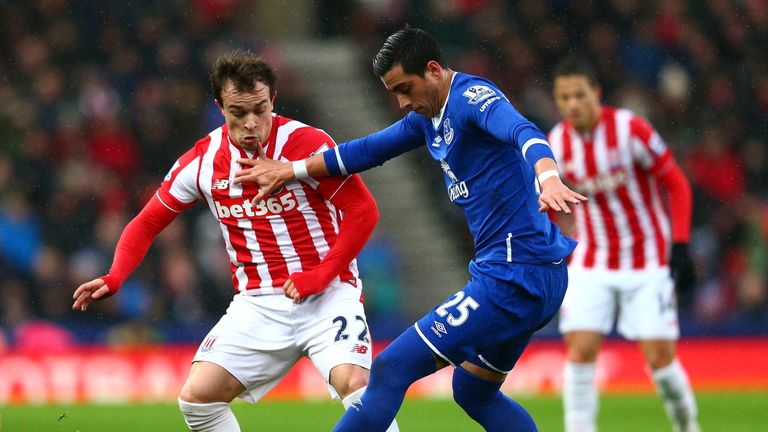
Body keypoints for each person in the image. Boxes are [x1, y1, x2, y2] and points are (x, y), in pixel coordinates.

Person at [234, 27, 588, 432]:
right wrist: (291, 170)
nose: (402, 102)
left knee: (390, 368)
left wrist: (549, 177)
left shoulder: (472, 99)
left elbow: (523, 131)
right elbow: (365, 151)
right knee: (474, 391)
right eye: (393, 92)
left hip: (513, 275)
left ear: (434, 70)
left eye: (405, 88)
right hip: (534, 274)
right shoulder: (428, 118)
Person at [72, 50, 399, 432]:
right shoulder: (203, 160)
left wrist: (322, 274)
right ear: (219, 107)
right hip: (258, 304)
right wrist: (115, 276)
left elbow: (364, 212)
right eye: (237, 113)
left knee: (357, 385)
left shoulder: (306, 145)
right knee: (197, 400)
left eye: (259, 109)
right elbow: (146, 222)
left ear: (273, 99)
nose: (251, 124)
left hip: (328, 294)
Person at [547, 55, 699, 432]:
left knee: (661, 363)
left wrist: (679, 245)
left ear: (596, 93)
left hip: (646, 261)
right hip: (592, 261)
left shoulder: (632, 130)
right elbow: (549, 204)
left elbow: (676, 183)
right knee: (580, 353)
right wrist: (552, 251)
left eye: (579, 95)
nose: (573, 105)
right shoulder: (556, 142)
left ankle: (688, 427)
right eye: (564, 98)